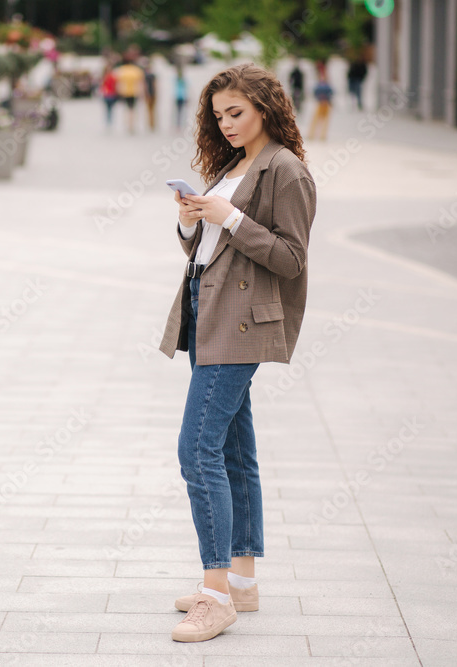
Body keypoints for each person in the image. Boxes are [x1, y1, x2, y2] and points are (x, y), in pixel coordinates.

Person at [158, 63, 316, 643]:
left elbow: (291, 259)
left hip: (242, 323)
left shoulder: (286, 171)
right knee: (231, 447)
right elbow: (210, 247)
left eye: (236, 113)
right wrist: (190, 221)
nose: (225, 124)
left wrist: (232, 217)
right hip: (206, 309)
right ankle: (242, 583)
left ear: (266, 109)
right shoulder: (232, 164)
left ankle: (215, 593)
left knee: (196, 449)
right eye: (219, 114)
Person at [113, 56, 145, 134]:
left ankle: (127, 124)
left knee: (126, 109)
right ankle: (132, 124)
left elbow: (118, 82)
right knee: (133, 109)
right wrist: (142, 92)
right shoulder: (136, 70)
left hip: (124, 92)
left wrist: (118, 92)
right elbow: (141, 82)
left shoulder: (121, 70)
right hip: (134, 92)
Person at [309, 69, 333, 141]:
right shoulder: (327, 86)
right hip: (324, 103)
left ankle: (314, 134)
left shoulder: (320, 86)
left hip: (322, 103)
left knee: (318, 120)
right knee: (321, 120)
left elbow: (315, 93)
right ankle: (318, 135)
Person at [99, 64, 118, 129]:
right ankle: (110, 121)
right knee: (111, 109)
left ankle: (108, 121)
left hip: (106, 95)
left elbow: (102, 87)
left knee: (108, 109)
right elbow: (115, 86)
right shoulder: (113, 77)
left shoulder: (104, 77)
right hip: (112, 94)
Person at [142, 57, 157, 132]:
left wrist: (146, 94)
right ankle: (152, 124)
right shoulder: (152, 75)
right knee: (152, 110)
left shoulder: (146, 76)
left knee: (149, 110)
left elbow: (145, 86)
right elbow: (155, 85)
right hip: (152, 94)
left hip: (149, 94)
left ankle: (150, 124)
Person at [174, 65, 188, 130]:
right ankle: (178, 125)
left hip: (183, 97)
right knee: (178, 112)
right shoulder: (176, 79)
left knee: (182, 111)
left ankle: (182, 124)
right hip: (178, 97)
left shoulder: (183, 80)